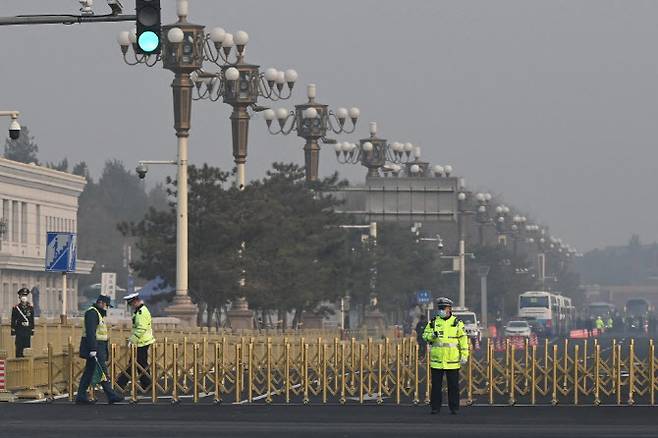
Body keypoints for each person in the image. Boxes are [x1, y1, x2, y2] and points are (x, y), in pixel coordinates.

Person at [422, 297, 469, 415]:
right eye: (440, 308)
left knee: (453, 386)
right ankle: (435, 407)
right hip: (437, 361)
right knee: (436, 386)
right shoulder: (433, 322)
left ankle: (454, 408)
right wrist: (432, 336)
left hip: (452, 360)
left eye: (444, 308)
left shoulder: (457, 323)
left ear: (449, 309)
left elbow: (463, 340)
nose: (441, 310)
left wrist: (464, 355)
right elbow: (425, 336)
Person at [75, 295, 123, 405]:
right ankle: (111, 395)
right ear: (100, 302)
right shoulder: (92, 313)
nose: (106, 308)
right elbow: (91, 332)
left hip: (98, 346)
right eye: (106, 305)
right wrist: (93, 348)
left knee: (89, 372)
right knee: (102, 371)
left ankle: (81, 395)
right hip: (95, 346)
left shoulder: (96, 313)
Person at [116, 293, 155, 391]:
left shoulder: (142, 312)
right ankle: (147, 384)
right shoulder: (139, 311)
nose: (131, 306)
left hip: (142, 341)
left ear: (136, 301)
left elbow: (141, 328)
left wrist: (132, 340)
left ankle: (121, 383)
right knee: (138, 364)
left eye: (131, 304)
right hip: (141, 341)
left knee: (136, 364)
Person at [11, 288, 34, 358]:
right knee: (19, 349)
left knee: (27, 349)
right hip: (19, 331)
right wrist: (13, 332)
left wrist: (32, 331)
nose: (24, 297)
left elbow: (31, 320)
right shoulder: (16, 308)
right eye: (23, 295)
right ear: (20, 297)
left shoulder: (30, 308)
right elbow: (13, 320)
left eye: (25, 295)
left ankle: (27, 367)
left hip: (27, 331)